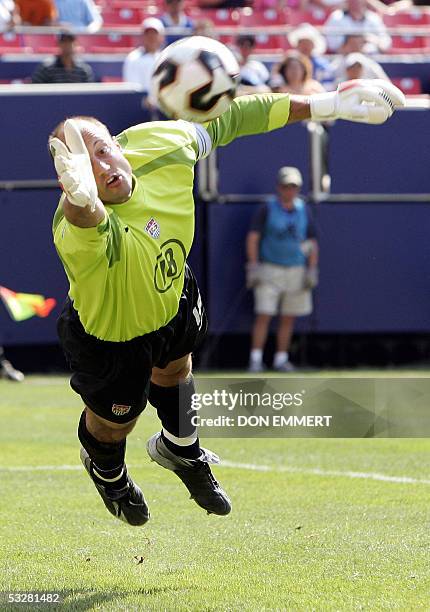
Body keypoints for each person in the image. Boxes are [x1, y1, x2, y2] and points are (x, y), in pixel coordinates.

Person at [48, 80, 404, 526]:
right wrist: (78, 194)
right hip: (113, 335)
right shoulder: (73, 222)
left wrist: (327, 103)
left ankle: (181, 449)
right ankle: (108, 471)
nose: (99, 168)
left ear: (119, 143)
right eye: (83, 164)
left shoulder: (163, 143)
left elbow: (233, 117)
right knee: (115, 424)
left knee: (177, 370)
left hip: (172, 290)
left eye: (101, 150)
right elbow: (89, 216)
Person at [246, 167, 318, 373]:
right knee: (264, 314)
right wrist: (253, 266)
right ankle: (256, 359)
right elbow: (253, 237)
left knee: (288, 316)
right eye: (286, 186)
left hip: (296, 269)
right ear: (279, 187)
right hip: (269, 269)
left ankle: (281, 358)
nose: (290, 190)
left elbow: (311, 241)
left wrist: (312, 270)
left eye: (294, 186)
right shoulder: (267, 208)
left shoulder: (304, 209)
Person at [324, 0, 391, 53]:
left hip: (373, 59)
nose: (356, 1)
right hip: (344, 60)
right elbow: (331, 44)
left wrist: (372, 40)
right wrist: (352, 44)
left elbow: (386, 43)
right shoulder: (336, 17)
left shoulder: (373, 18)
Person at [122, 18, 165, 94]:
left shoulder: (165, 58)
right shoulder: (133, 58)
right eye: (148, 33)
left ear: (161, 37)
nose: (151, 37)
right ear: (142, 36)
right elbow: (132, 87)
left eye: (155, 33)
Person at [287, 23, 335, 91]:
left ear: (313, 45)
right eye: (302, 43)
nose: (305, 46)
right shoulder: (288, 63)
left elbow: (328, 88)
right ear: (297, 45)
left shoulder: (322, 66)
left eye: (308, 43)